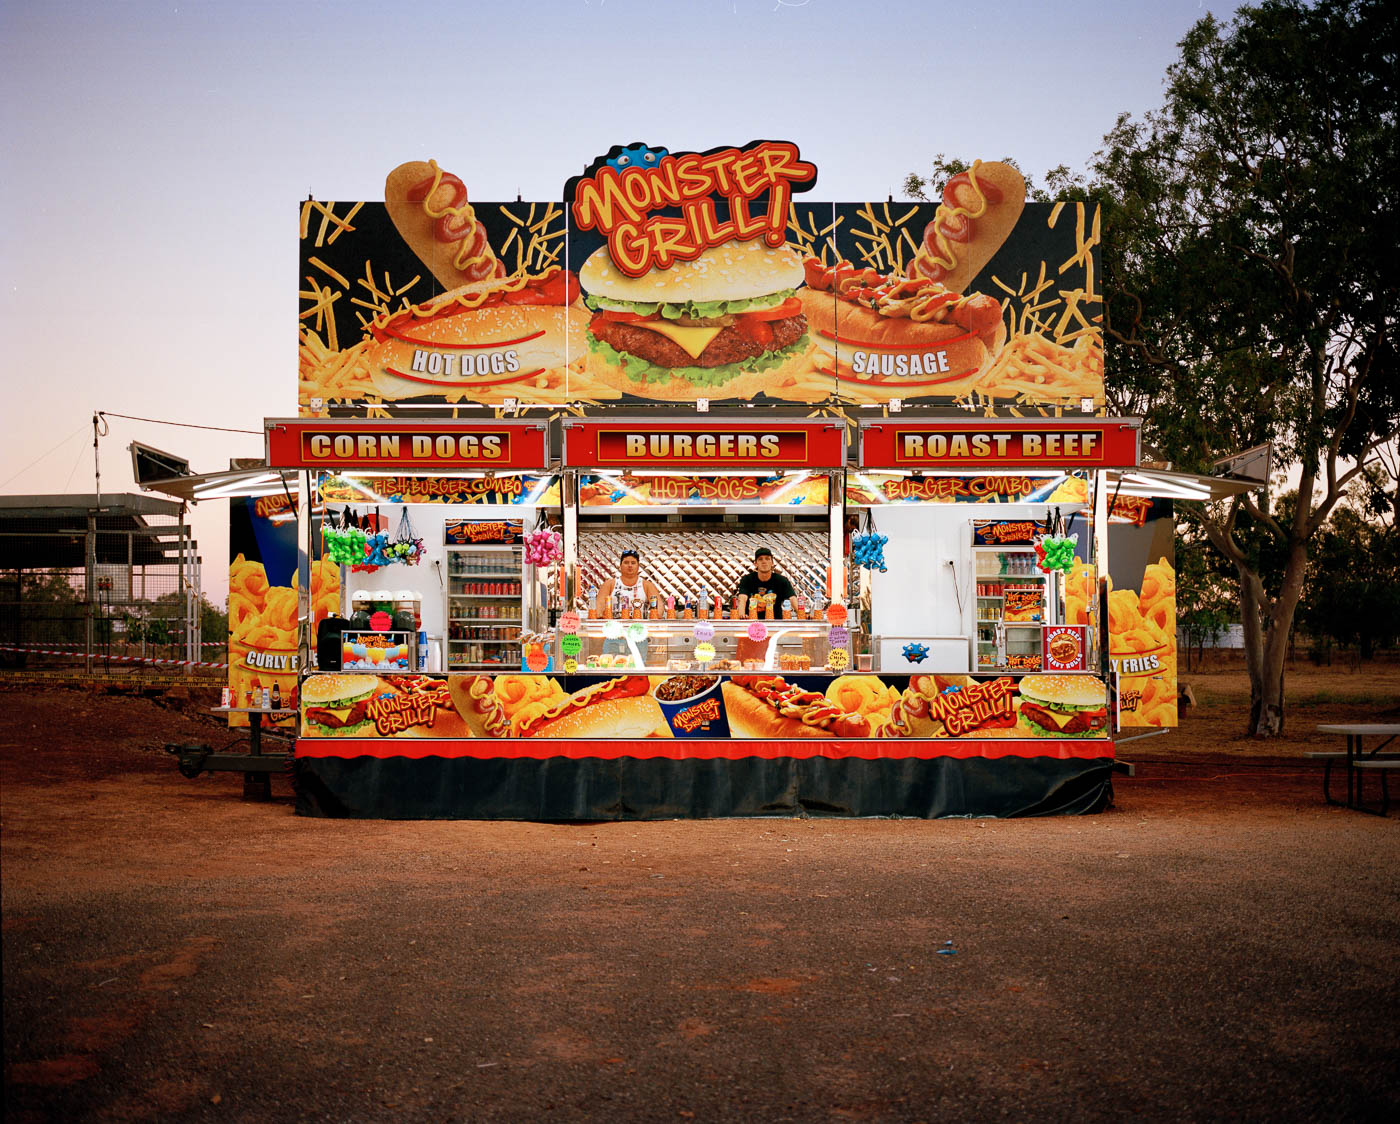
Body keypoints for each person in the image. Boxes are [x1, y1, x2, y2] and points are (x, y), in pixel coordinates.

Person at [596, 549, 659, 666]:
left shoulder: (646, 585)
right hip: (613, 636)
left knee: (637, 671)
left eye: (633, 563)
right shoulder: (610, 584)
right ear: (620, 565)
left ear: (638, 566)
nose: (630, 566)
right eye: (626, 562)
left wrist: (652, 617)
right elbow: (598, 609)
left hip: (638, 637)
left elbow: (659, 609)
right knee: (609, 668)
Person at [735, 547, 798, 617]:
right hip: (752, 622)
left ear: (772, 563)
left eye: (767, 559)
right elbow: (742, 598)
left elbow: (792, 598)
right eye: (760, 559)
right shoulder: (747, 579)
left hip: (775, 623)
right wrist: (742, 616)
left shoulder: (781, 581)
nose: (764, 561)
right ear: (755, 564)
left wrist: (802, 614)